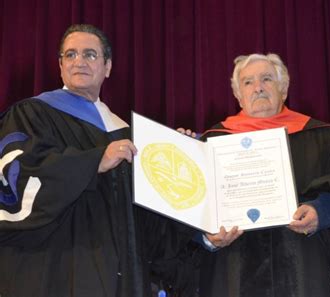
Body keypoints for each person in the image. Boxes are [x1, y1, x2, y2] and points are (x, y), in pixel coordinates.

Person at [0, 24, 194, 297]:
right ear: (60, 65)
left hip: (121, 275)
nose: (79, 61)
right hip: (54, 269)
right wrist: (93, 162)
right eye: (70, 55)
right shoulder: (32, 114)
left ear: (108, 67)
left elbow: (150, 224)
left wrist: (181, 155)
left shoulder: (129, 135)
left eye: (90, 55)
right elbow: (16, 178)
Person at [193, 53, 330, 297]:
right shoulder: (211, 143)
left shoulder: (322, 137)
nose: (258, 88)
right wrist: (206, 235)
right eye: (248, 82)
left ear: (283, 89)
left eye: (267, 79)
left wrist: (322, 211)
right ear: (238, 96)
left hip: (304, 265)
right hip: (231, 267)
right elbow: (190, 207)